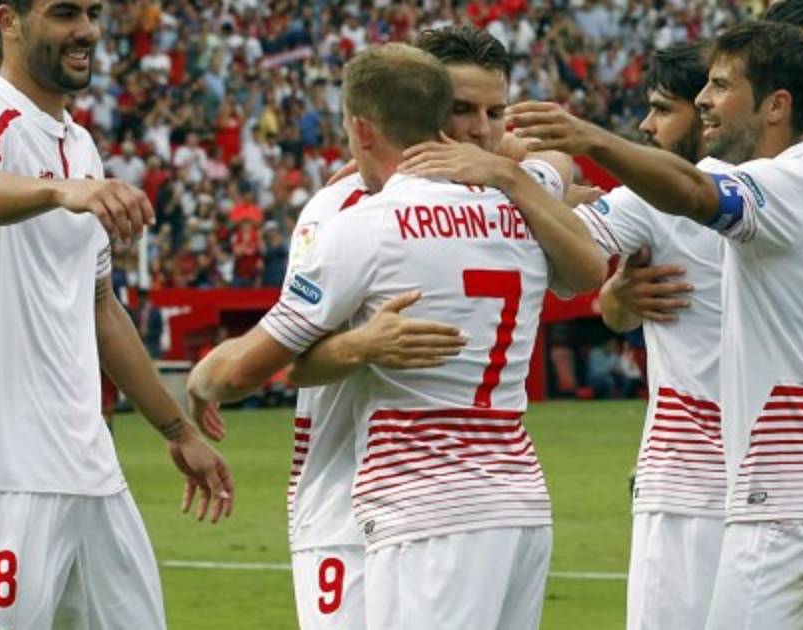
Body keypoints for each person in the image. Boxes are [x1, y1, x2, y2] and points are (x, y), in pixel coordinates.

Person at [186, 43, 604, 630]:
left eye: (495, 114)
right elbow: (565, 193)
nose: (482, 131)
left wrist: (199, 384)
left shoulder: (368, 221)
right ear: (435, 115)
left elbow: (260, 366)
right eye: (464, 110)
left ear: (362, 127)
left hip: (415, 497)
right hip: (490, 493)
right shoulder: (517, 205)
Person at [505, 20, 803, 628]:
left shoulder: (774, 184)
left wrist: (571, 149)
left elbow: (693, 194)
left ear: (776, 105)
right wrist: (615, 296)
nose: (707, 101)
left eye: (721, 87)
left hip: (781, 488)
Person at [0, 1, 233, 628]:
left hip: (88, 463)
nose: (85, 29)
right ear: (9, 21)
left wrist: (178, 431)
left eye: (91, 12)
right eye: (64, 13)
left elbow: (99, 305)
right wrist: (62, 190)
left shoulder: (81, 146)